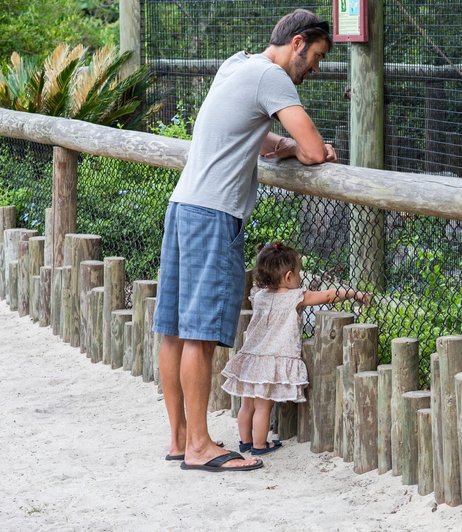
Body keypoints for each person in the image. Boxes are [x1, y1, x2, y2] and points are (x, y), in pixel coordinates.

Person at [153, 9, 337, 473]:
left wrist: (284, 147)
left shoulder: (236, 64)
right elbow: (315, 150)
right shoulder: (273, 78)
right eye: (314, 58)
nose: (313, 69)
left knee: (173, 329)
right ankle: (199, 447)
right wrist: (305, 149)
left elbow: (251, 136)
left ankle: (179, 440)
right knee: (200, 333)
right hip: (214, 214)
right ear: (297, 43)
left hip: (184, 206)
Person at [221, 243, 370, 455]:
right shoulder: (295, 296)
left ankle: (245, 441)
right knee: (264, 407)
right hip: (271, 358)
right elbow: (328, 296)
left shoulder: (259, 295)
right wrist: (355, 294)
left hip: (251, 357)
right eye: (299, 273)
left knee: (247, 404)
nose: (300, 278)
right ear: (289, 276)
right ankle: (260, 445)